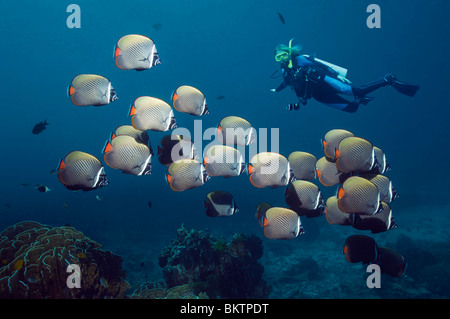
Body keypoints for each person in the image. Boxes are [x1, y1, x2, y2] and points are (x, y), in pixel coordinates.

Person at [270, 39, 420, 113]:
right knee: (351, 109)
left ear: (288, 52)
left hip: (326, 82)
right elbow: (285, 83)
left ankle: (388, 80)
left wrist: (337, 75)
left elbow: (322, 66)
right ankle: (360, 100)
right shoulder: (285, 72)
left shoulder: (300, 59)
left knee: (358, 91)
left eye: (283, 55)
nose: (282, 58)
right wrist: (276, 90)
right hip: (318, 95)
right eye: (278, 57)